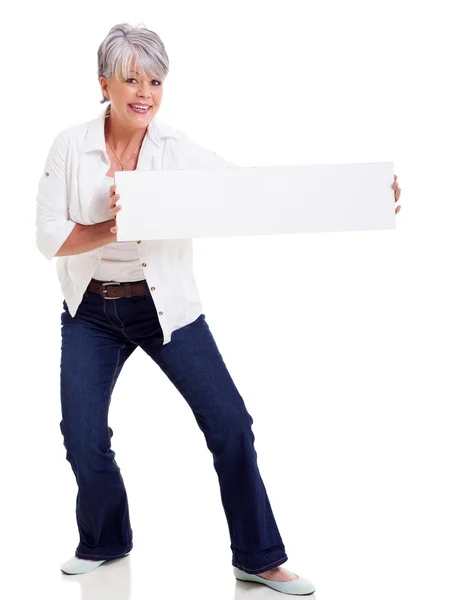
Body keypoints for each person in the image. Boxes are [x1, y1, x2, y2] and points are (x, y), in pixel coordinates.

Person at [35, 23, 402, 596]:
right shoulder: (69, 145)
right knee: (82, 437)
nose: (145, 92)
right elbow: (49, 237)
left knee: (231, 426)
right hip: (91, 311)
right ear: (103, 82)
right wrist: (114, 226)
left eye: (155, 80)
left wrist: (364, 195)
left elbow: (249, 194)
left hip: (167, 309)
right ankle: (105, 541)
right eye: (132, 78)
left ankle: (258, 557)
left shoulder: (176, 149)